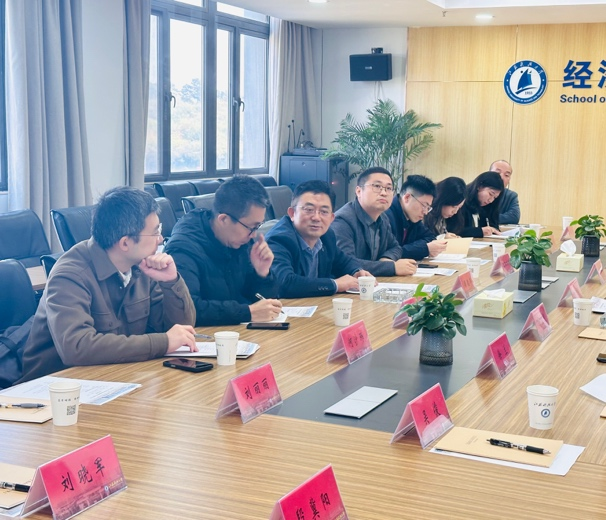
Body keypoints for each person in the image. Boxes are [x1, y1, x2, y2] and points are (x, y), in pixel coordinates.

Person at [20, 187, 197, 382]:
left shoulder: (142, 266)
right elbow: (77, 347)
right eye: (155, 232)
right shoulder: (70, 275)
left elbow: (180, 330)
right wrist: (162, 343)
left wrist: (171, 282)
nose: (161, 239)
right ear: (125, 243)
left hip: (114, 376)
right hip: (55, 385)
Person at [164, 175, 281, 326]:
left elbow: (260, 302)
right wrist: (247, 313)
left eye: (258, 226)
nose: (254, 234)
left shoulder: (241, 241)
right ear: (223, 219)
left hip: (238, 332)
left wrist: (262, 274)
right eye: (251, 227)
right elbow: (189, 309)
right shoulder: (183, 250)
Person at [265, 180, 372, 298]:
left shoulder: (326, 236)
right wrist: (335, 284)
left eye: (324, 212)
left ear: (331, 218)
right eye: (309, 209)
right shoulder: (278, 240)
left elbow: (343, 261)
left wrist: (356, 271)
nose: (316, 217)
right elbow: (285, 283)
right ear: (292, 213)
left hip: (315, 305)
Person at [331, 167, 417, 277]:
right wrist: (391, 267)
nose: (384, 193)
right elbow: (345, 264)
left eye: (388, 188)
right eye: (377, 186)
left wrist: (387, 258)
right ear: (359, 191)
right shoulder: (343, 221)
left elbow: (395, 247)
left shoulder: (382, 218)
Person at [385, 174, 447, 259]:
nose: (425, 212)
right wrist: (423, 249)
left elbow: (430, 238)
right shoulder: (386, 216)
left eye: (428, 208)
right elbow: (388, 253)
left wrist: (419, 248)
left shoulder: (412, 217)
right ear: (407, 198)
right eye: (424, 205)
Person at [454, 171, 504, 238]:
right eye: (490, 194)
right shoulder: (461, 200)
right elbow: (454, 230)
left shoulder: (488, 206)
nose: (491, 200)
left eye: (495, 197)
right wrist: (479, 231)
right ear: (479, 186)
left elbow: (494, 227)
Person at [490, 159, 520, 225]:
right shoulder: (478, 191)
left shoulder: (511, 195)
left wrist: (488, 218)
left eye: (506, 175)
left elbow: (514, 217)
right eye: (497, 173)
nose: (501, 177)